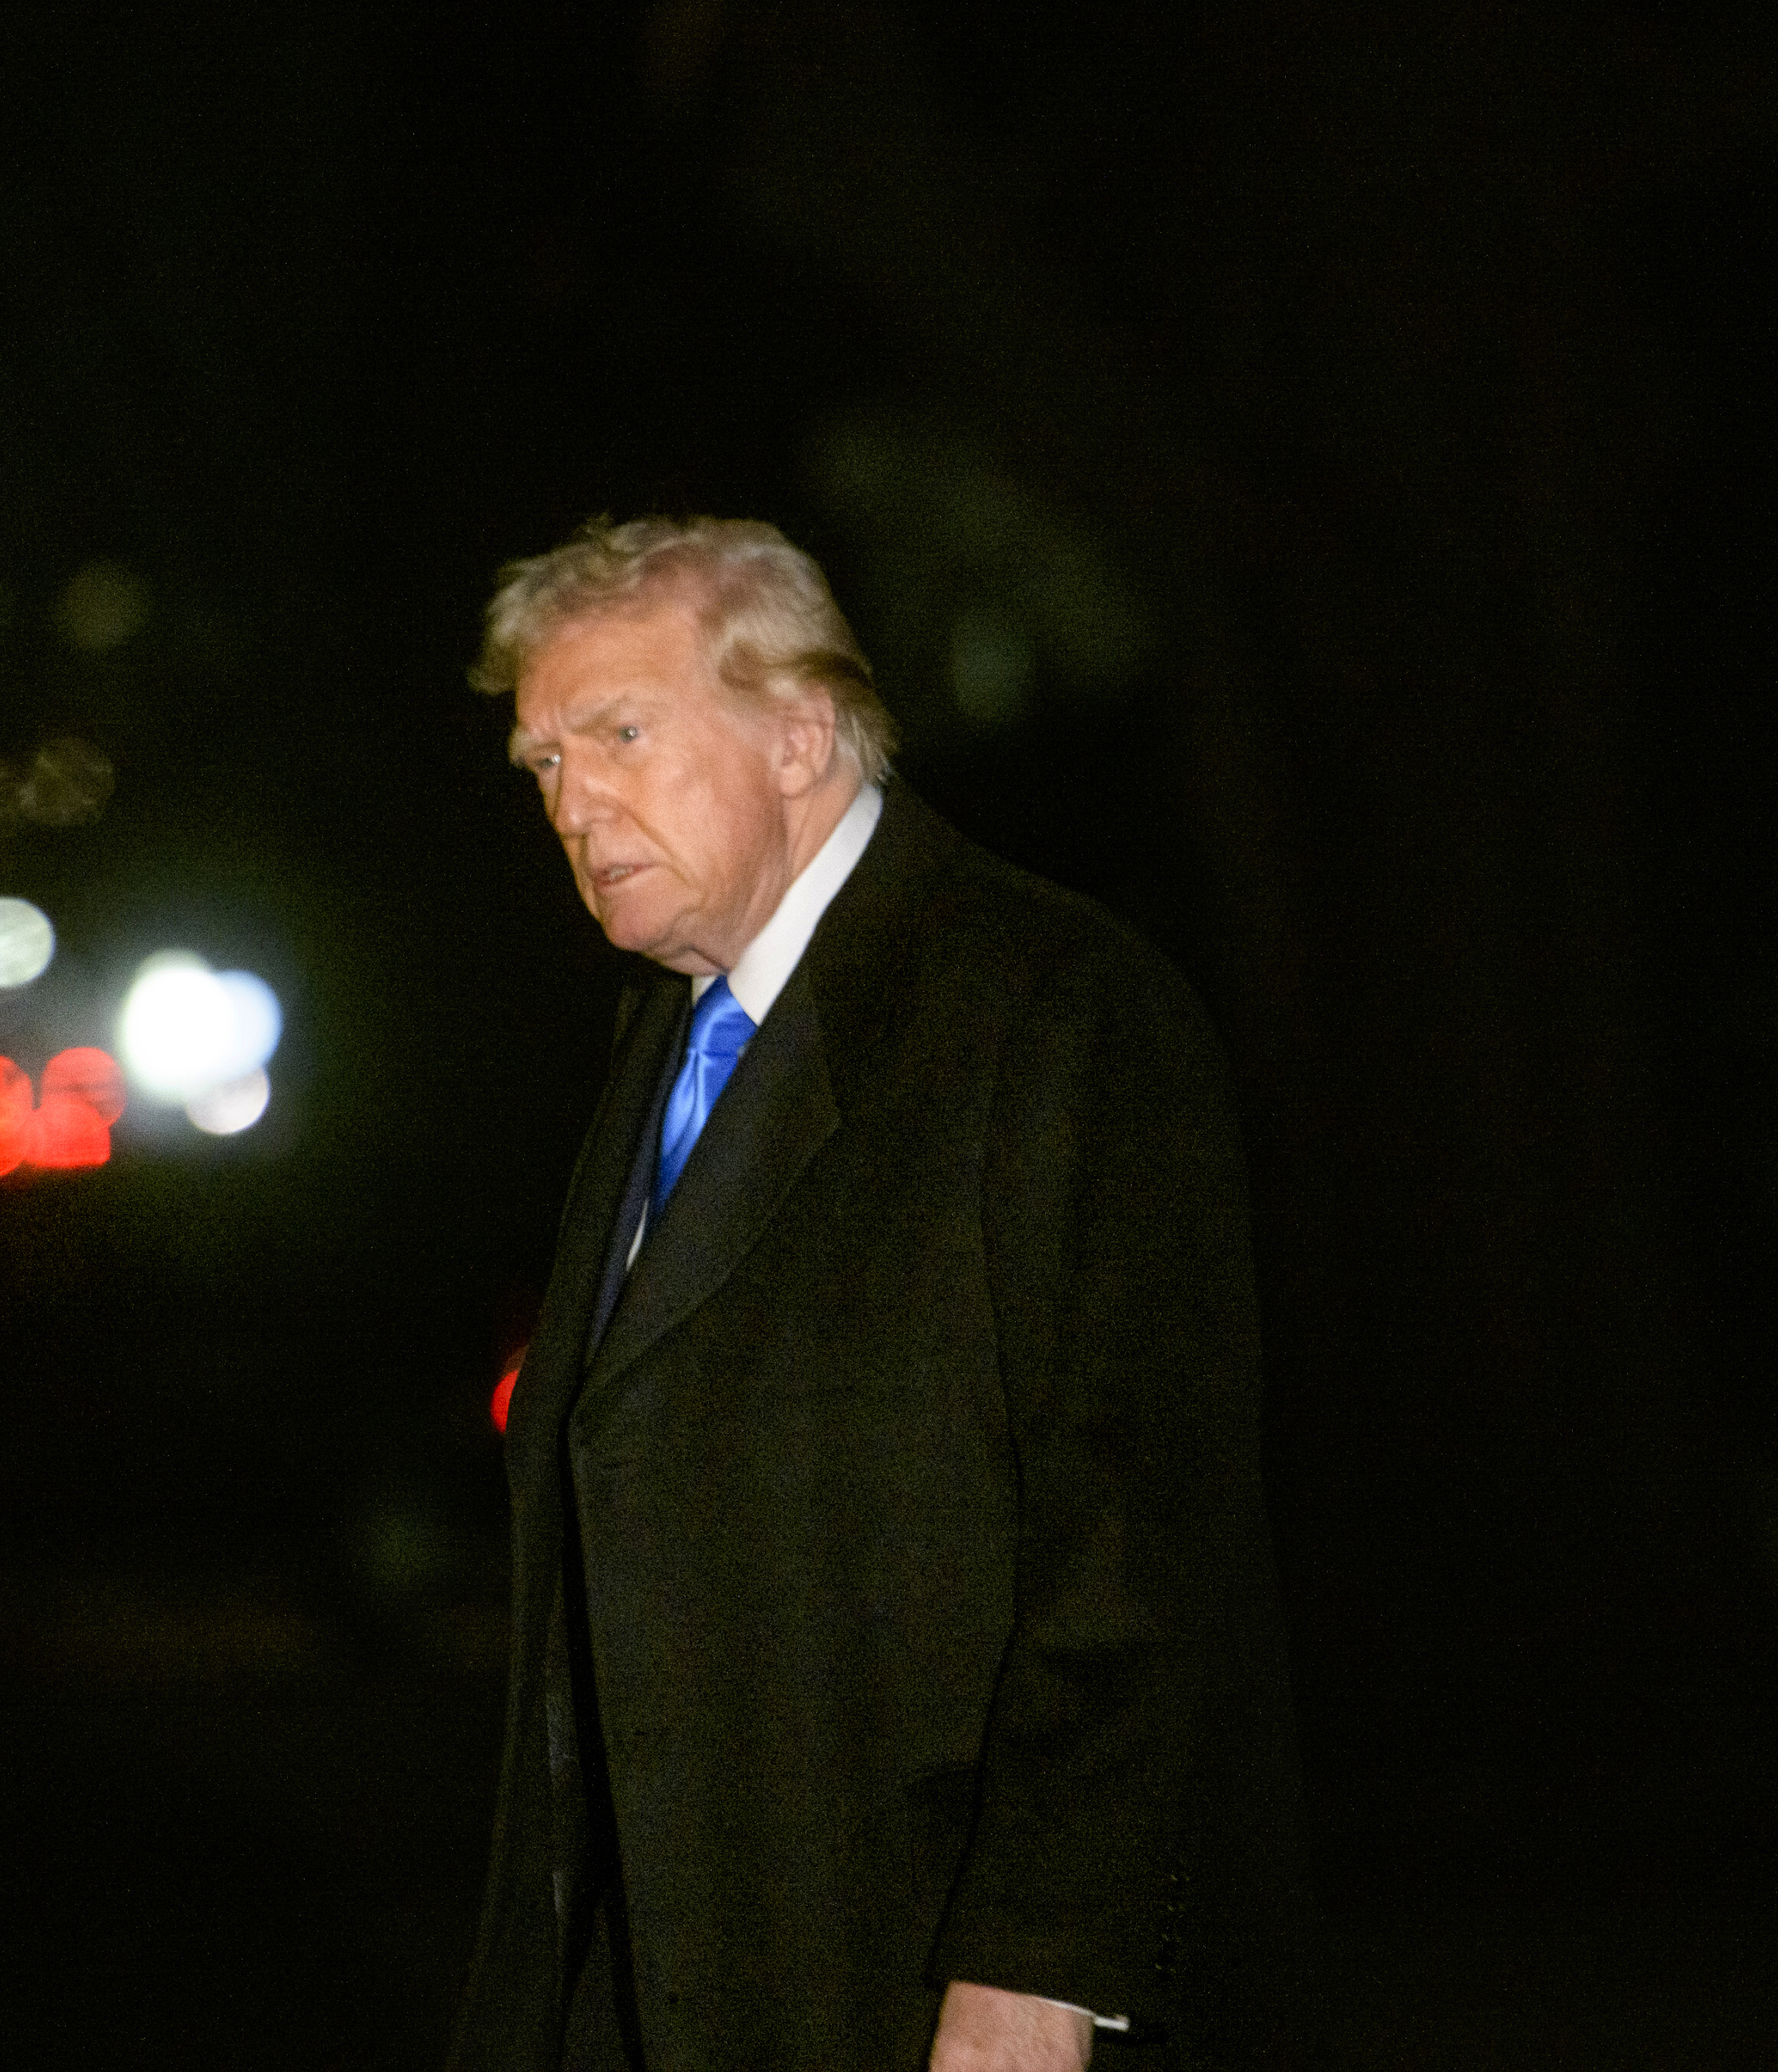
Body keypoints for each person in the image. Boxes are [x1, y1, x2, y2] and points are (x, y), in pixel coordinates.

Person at [447, 519, 1304, 2072]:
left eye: (619, 734)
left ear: (800, 728)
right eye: (542, 762)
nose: (575, 803)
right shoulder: (664, 1042)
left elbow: (1137, 1525)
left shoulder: (1051, 1010)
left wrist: (1041, 1962)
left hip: (912, 1988)